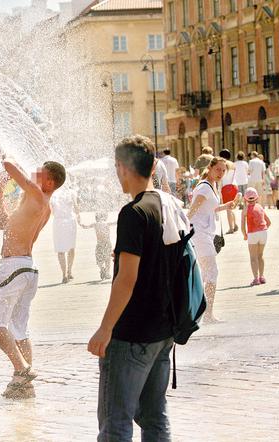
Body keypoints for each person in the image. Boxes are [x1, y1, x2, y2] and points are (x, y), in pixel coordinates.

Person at [87, 135, 174, 441]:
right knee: (154, 417)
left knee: (116, 421)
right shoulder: (168, 204)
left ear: (122, 168)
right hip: (164, 330)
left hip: (133, 332)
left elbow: (127, 279)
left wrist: (105, 328)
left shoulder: (133, 212)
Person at [0, 158, 65, 399]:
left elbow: (10, 168)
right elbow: (1, 223)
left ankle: (21, 368)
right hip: (26, 268)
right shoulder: (38, 204)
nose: (35, 174)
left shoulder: (39, 195)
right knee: (18, 328)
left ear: (49, 182)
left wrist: (7, 157)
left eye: (41, 173)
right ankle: (23, 384)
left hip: (14, 267)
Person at [187, 157, 236, 323]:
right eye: (218, 170)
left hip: (204, 233)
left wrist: (226, 206)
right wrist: (182, 229)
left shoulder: (212, 185)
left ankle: (199, 313)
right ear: (210, 168)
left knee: (203, 273)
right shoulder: (204, 188)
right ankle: (207, 314)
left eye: (223, 171)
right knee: (211, 273)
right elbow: (192, 210)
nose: (221, 173)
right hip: (199, 234)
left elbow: (210, 208)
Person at [241, 187, 271, 286]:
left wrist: (245, 235)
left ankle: (256, 278)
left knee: (253, 257)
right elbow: (268, 222)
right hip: (263, 232)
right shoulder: (260, 207)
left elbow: (242, 225)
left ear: (245, 199)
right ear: (256, 198)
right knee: (260, 255)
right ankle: (262, 276)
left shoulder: (245, 209)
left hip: (252, 233)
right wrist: (263, 230)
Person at [50, 187, 79, 283]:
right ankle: (69, 271)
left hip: (58, 221)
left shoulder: (53, 193)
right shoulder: (71, 192)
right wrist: (79, 218)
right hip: (70, 220)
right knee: (71, 247)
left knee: (61, 249)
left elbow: (51, 210)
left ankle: (64, 274)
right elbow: (76, 207)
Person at [80, 210, 113, 281]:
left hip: (100, 244)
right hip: (107, 243)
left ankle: (102, 268)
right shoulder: (107, 223)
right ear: (105, 217)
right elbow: (116, 222)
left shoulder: (95, 224)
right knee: (108, 259)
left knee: (99, 259)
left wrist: (80, 223)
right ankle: (107, 273)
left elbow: (85, 226)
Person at [219, 149, 238, 233]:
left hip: (226, 187)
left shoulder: (222, 164)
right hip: (233, 186)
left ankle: (231, 228)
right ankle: (235, 224)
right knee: (230, 208)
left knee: (228, 209)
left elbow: (221, 178)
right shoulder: (233, 164)